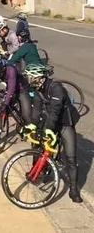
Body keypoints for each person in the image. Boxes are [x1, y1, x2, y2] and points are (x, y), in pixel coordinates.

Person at [23, 64, 82, 203]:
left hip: (65, 123)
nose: (27, 79)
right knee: (39, 145)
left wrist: (49, 130)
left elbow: (55, 111)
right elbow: (36, 111)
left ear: (37, 77)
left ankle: (74, 190)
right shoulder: (38, 90)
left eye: (29, 76)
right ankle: (41, 172)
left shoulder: (56, 88)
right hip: (50, 120)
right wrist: (31, 126)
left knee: (71, 157)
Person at [0, 59, 32, 147]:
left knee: (26, 114)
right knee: (2, 112)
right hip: (10, 88)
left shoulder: (11, 70)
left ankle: (32, 133)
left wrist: (5, 103)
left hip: (21, 90)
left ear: (3, 69)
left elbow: (11, 88)